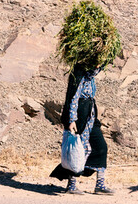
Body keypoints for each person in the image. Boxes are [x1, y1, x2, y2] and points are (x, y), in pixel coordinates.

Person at [49, 65, 114, 195]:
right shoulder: (79, 75)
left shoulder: (90, 76)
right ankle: (71, 185)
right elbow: (73, 98)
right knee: (78, 150)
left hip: (90, 114)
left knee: (101, 147)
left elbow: (97, 69)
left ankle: (100, 185)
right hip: (80, 116)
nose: (97, 67)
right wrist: (72, 119)